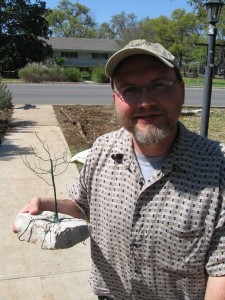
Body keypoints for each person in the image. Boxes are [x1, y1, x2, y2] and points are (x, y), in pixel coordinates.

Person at [13, 40, 225, 300]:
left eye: (158, 85)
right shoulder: (103, 149)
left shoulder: (217, 167)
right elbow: (81, 205)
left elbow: (221, 270)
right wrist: (50, 204)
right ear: (115, 99)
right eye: (130, 90)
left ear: (180, 90)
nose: (145, 101)